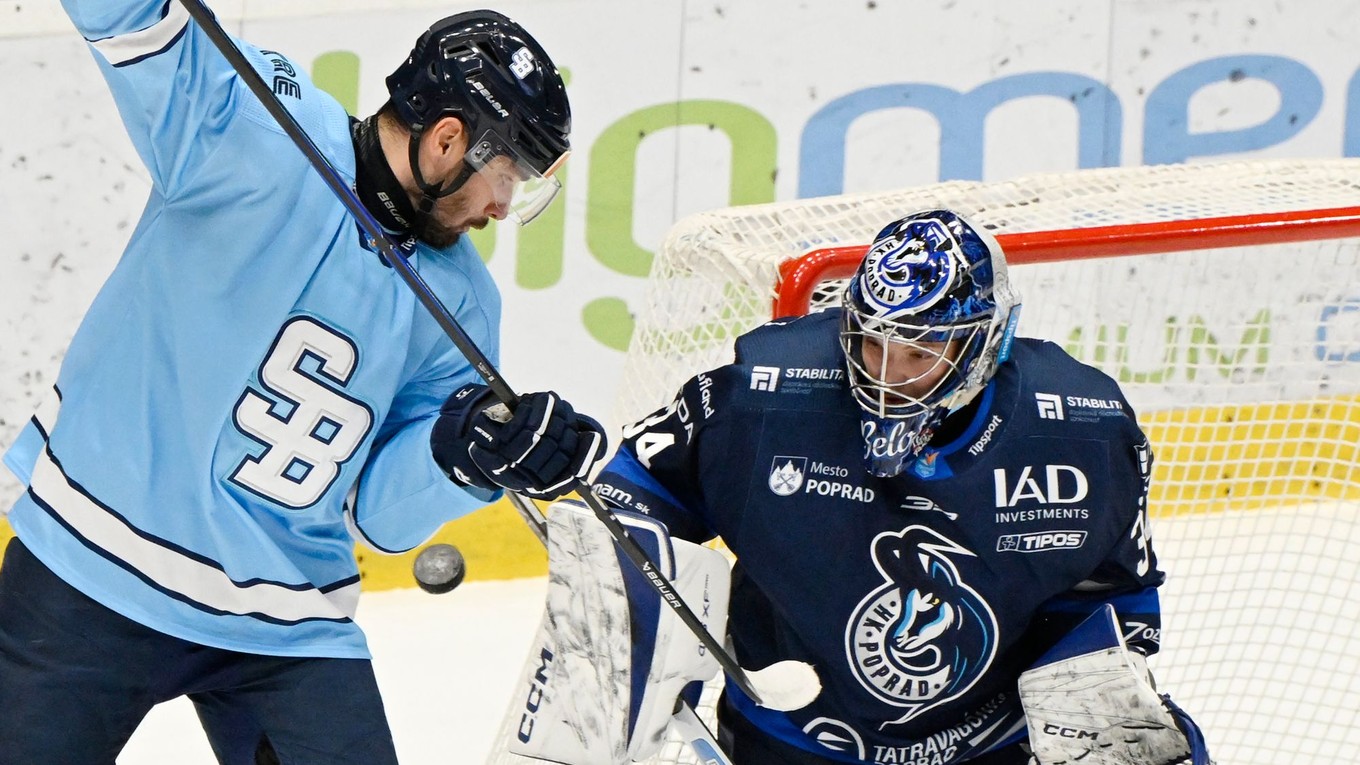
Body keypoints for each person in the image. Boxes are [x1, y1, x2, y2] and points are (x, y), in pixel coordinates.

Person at [0, 5, 604, 764]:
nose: (500, 207)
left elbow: (377, 515)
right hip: (91, 569)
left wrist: (467, 459)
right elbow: (123, 19)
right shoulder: (253, 127)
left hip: (284, 621)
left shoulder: (465, 303)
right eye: (505, 177)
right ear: (448, 139)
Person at [592, 210, 1211, 764]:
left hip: (989, 746)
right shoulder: (763, 399)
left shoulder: (1082, 429)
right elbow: (637, 490)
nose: (888, 377)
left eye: (919, 353)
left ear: (985, 344)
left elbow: (1107, 597)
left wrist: (1104, 718)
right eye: (871, 345)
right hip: (786, 741)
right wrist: (638, 635)